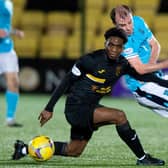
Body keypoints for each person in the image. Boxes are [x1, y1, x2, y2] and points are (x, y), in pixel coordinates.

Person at [11, 27, 167, 166]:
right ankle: (143, 158)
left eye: (118, 46)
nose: (114, 49)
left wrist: (164, 83)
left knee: (74, 150)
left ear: (122, 48)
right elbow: (66, 81)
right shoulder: (90, 60)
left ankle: (24, 149)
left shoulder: (123, 64)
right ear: (106, 43)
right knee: (119, 116)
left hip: (91, 108)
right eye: (111, 44)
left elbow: (144, 76)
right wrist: (49, 108)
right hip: (76, 107)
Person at [110, 5, 168, 117]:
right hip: (143, 87)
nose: (128, 27)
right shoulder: (120, 42)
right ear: (115, 25)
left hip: (157, 77)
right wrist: (165, 64)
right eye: (122, 25)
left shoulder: (139, 21)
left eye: (129, 22)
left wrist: (151, 65)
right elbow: (140, 69)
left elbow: (155, 45)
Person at [0, 0, 24, 127]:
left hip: (6, 48)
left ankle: (10, 118)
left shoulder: (8, 3)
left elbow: (5, 26)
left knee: (14, 82)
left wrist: (14, 32)